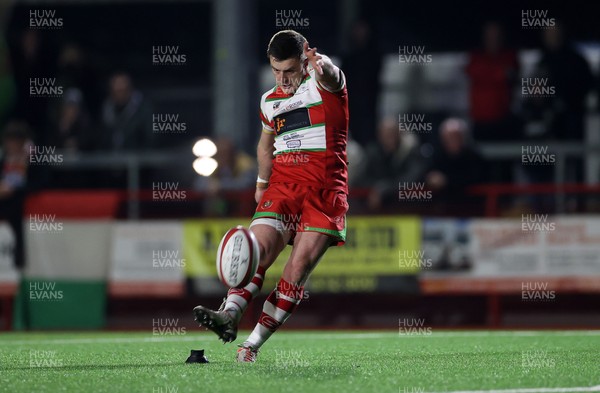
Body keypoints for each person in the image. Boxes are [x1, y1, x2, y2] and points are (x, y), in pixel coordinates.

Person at [194, 30, 349, 362]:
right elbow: (265, 144)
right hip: (283, 185)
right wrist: (263, 184)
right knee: (257, 249)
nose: (283, 79)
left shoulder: (323, 81)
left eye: (289, 71)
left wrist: (323, 66)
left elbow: (334, 77)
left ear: (305, 59)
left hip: (324, 190)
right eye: (276, 71)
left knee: (299, 266)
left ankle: (251, 344)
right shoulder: (269, 100)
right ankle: (229, 315)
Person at [465, 21, 520, 141]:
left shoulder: (510, 56)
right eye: (490, 35)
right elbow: (473, 71)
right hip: (481, 122)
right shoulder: (476, 57)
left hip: (503, 121)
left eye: (497, 35)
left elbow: (511, 74)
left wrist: (488, 74)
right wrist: (499, 72)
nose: (493, 39)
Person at [356, 117, 425, 211]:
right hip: (377, 208)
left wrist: (385, 189)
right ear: (379, 135)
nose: (390, 137)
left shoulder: (411, 152)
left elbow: (413, 179)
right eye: (386, 134)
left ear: (399, 134)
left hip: (406, 207)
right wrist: (377, 188)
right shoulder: (372, 152)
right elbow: (361, 179)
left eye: (393, 133)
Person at [424, 118, 486, 206]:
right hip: (442, 207)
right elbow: (425, 175)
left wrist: (447, 181)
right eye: (447, 138)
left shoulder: (473, 157)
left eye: (455, 137)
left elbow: (475, 179)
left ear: (463, 137)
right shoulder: (437, 156)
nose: (451, 141)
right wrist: (430, 179)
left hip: (470, 205)